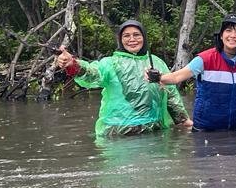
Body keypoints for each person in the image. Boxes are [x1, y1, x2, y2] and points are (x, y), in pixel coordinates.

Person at [56, 19, 192, 136]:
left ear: (144, 38)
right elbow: (92, 74)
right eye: (126, 36)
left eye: (136, 35)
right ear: (120, 40)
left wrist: (183, 120)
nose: (132, 39)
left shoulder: (156, 62)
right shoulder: (110, 63)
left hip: (154, 131)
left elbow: (170, 94)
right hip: (117, 132)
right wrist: (73, 64)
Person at [149, 14, 236, 131]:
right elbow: (176, 77)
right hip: (207, 127)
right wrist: (158, 77)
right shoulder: (204, 59)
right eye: (228, 30)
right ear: (221, 35)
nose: (233, 35)